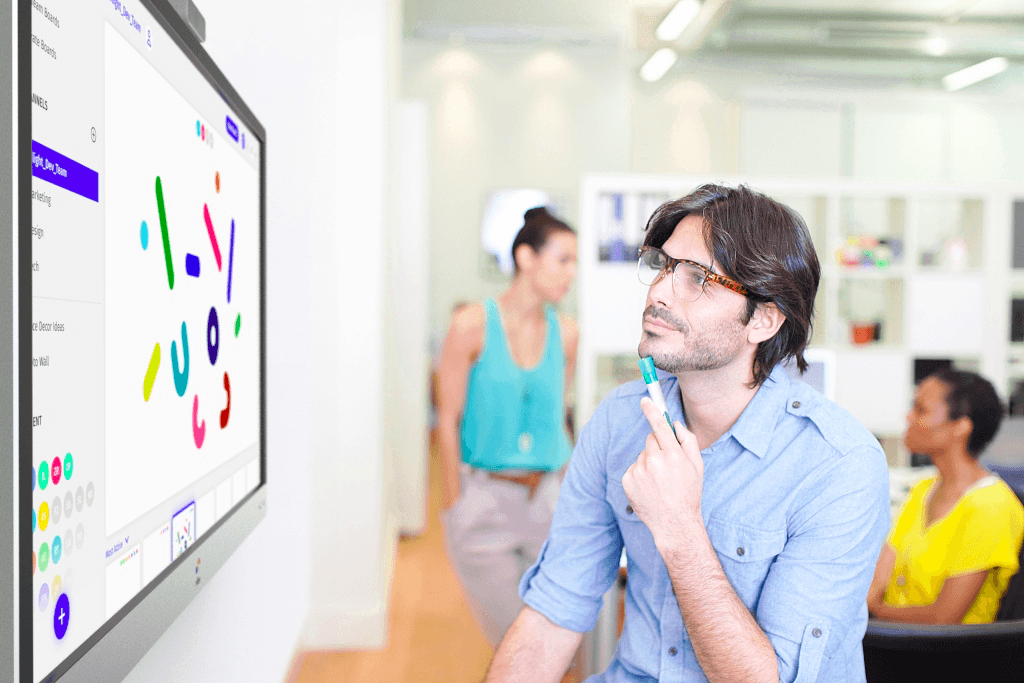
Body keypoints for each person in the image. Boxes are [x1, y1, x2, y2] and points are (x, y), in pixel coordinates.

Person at [485, 184, 891, 683]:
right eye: (662, 265)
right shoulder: (618, 421)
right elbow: (555, 609)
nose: (658, 291)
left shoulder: (839, 464)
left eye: (697, 278)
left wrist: (679, 528)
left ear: (762, 319)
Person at [436, 206, 579, 646]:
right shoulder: (470, 326)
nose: (571, 273)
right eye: (563, 260)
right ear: (526, 257)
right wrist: (455, 506)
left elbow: (559, 419)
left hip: (549, 500)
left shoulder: (569, 333)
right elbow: (446, 419)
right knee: (513, 642)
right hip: (485, 499)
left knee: (554, 641)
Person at [867, 370, 1024, 624]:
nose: (908, 417)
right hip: (895, 641)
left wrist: (876, 612)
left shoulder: (991, 506)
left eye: (920, 409)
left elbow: (944, 617)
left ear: (960, 427)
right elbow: (878, 579)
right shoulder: (923, 489)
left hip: (948, 655)